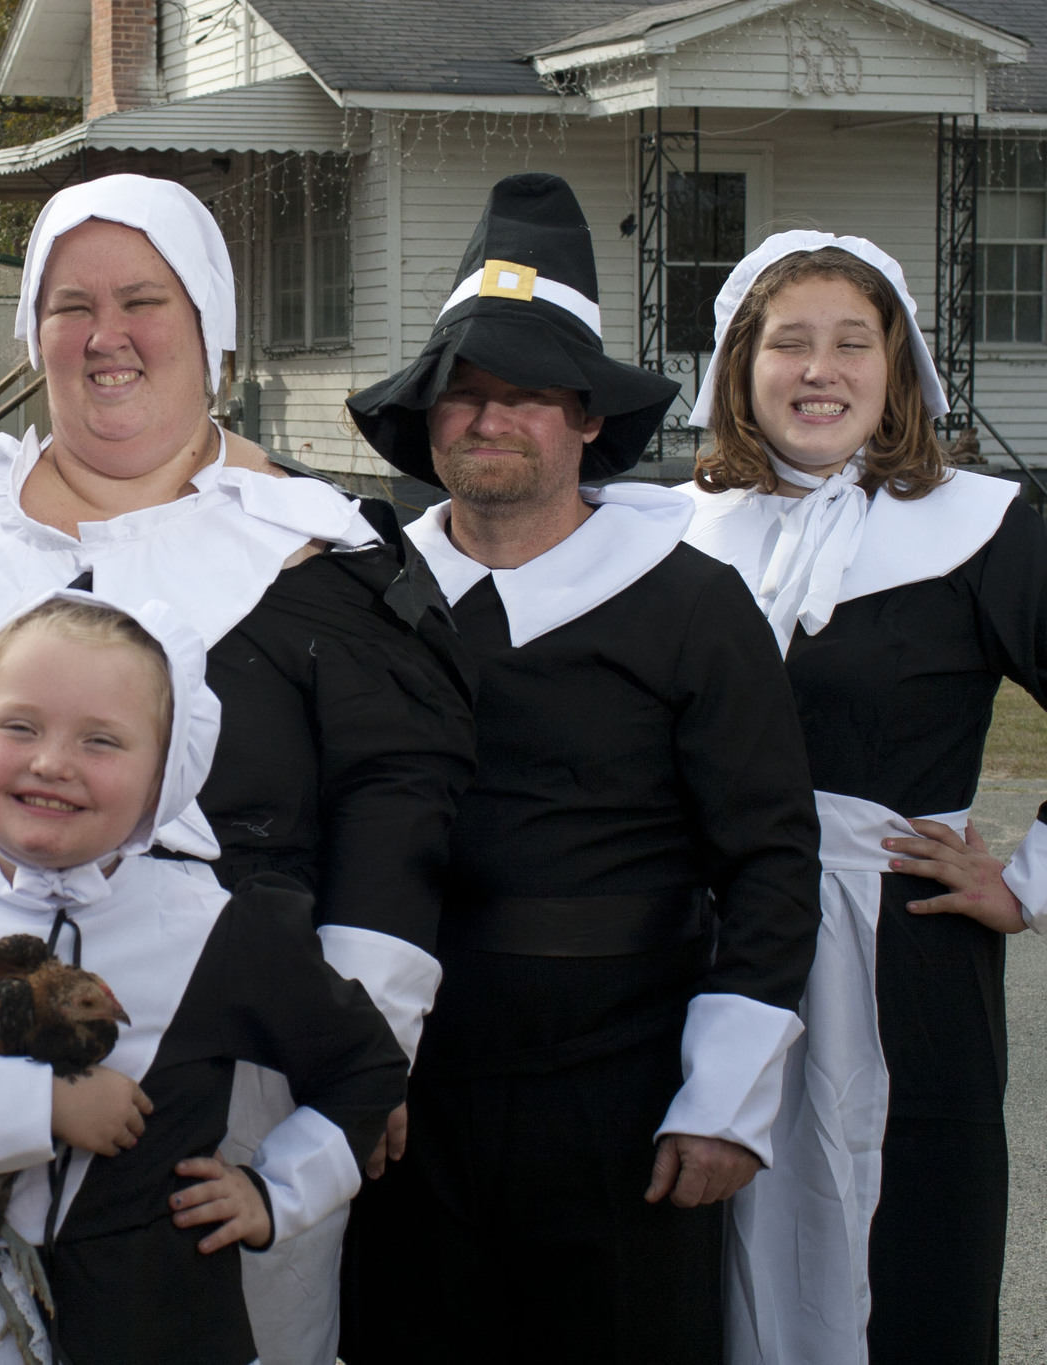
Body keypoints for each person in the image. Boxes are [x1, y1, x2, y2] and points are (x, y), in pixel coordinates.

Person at [0, 174, 476, 1365]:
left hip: (242, 1079)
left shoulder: (316, 556)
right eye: (70, 307)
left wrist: (354, 1071)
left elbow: (396, 815)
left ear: (209, 327)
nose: (104, 336)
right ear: (33, 334)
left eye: (141, 301)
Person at [340, 173, 823, 1365]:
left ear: (588, 420)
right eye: (464, 394)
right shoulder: (360, 595)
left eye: (527, 396)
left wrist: (721, 1099)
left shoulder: (691, 607)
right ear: (428, 416)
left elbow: (767, 861)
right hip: (412, 1089)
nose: (489, 420)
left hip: (623, 1090)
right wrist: (342, 1066)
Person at [0, 590, 409, 1365]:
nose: (51, 762)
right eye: (18, 725)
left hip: (159, 1324)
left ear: (166, 774)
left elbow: (365, 1067)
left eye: (102, 740)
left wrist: (274, 1192)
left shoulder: (217, 926)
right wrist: (40, 1104)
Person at [679, 231, 1047, 1365]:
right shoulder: (680, 534)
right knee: (709, 1240)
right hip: (709, 944)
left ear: (900, 371)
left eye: (853, 342)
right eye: (787, 343)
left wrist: (1025, 882)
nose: (818, 369)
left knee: (907, 1257)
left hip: (901, 955)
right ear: (739, 368)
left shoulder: (985, 527)